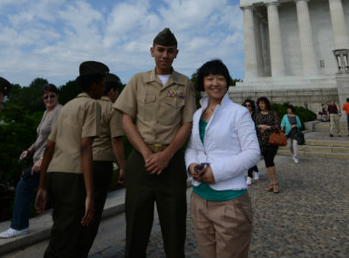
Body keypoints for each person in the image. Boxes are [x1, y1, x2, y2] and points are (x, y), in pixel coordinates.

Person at [113, 28, 196, 258]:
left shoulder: (185, 83)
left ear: (176, 53)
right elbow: (126, 119)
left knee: (175, 226)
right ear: (152, 51)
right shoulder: (138, 81)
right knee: (136, 226)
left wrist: (166, 156)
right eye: (160, 50)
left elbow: (187, 124)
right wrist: (147, 155)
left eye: (170, 51)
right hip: (141, 162)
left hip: (172, 163)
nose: (165, 55)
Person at [185, 59, 259, 258]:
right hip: (199, 199)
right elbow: (193, 146)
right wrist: (191, 165)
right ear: (203, 83)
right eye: (209, 79)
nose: (215, 83)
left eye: (220, 78)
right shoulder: (198, 113)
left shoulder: (239, 112)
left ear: (227, 82)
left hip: (230, 202)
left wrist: (215, 172)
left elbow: (253, 152)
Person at [34, 61, 107, 258]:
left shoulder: (66, 108)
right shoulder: (92, 105)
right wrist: (90, 194)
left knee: (63, 230)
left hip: (55, 175)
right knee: (67, 239)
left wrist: (42, 186)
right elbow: (85, 147)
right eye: (102, 84)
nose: (104, 88)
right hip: (73, 177)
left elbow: (49, 148)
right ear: (94, 85)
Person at [0, 84, 62, 239]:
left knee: (23, 186)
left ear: (57, 96)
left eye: (52, 95)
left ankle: (19, 226)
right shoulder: (47, 113)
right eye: (46, 96)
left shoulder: (59, 112)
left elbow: (56, 139)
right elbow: (41, 138)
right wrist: (30, 150)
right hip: (40, 158)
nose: (49, 99)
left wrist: (42, 160)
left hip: (48, 160)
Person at [83, 72, 127, 255]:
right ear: (111, 91)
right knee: (93, 214)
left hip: (80, 162)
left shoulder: (85, 105)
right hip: (101, 163)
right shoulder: (111, 108)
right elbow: (116, 141)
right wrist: (123, 167)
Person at [254, 96, 280, 193]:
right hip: (262, 142)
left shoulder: (273, 113)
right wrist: (259, 127)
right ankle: (271, 183)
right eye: (259, 103)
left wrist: (267, 127)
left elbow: (277, 126)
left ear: (266, 104)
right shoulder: (257, 115)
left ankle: (275, 183)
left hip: (272, 141)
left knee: (270, 161)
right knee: (267, 163)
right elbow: (254, 127)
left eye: (263, 103)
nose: (261, 105)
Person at [243, 99, 260, 185]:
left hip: (255, 138)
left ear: (252, 106)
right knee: (250, 157)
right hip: (245, 138)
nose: (247, 107)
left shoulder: (255, 115)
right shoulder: (243, 115)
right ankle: (256, 171)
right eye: (245, 105)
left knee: (251, 157)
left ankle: (249, 177)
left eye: (249, 105)